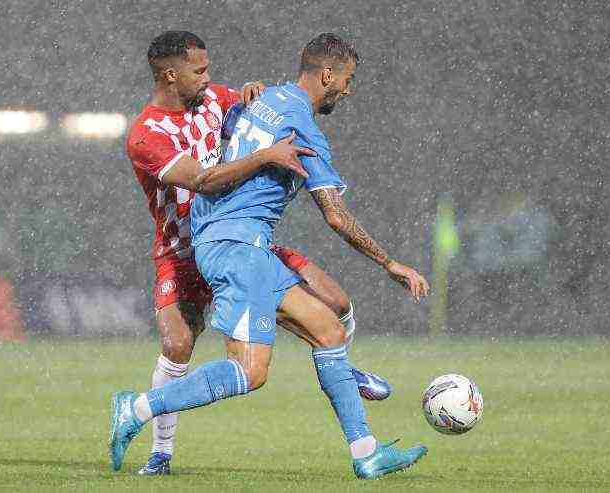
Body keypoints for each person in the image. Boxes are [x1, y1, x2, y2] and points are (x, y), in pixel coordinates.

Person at [112, 32, 430, 480]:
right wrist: (389, 262)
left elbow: (234, 113)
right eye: (348, 79)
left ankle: (366, 453)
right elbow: (335, 216)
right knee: (249, 372)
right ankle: (140, 407)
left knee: (330, 329)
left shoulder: (269, 97)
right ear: (326, 75)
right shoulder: (302, 129)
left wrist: (245, 100)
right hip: (232, 247)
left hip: (242, 242)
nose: (349, 89)